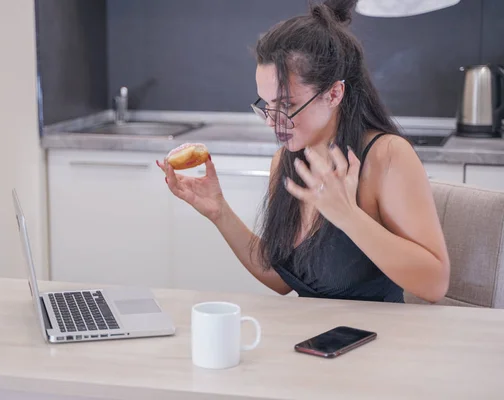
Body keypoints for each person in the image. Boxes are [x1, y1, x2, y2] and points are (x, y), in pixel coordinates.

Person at [157, 0, 450, 303]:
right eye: (266, 105)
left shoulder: (386, 156)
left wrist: (348, 216)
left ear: (334, 93)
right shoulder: (285, 161)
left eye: (286, 105)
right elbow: (281, 279)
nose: (273, 122)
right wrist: (219, 212)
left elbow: (434, 284)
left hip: (379, 341)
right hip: (313, 341)